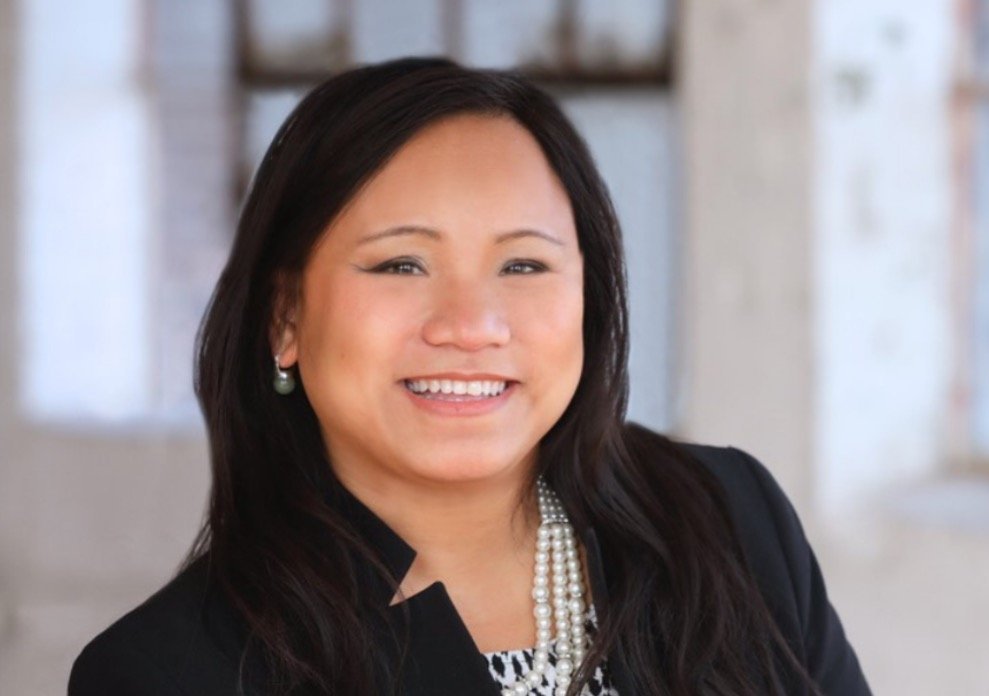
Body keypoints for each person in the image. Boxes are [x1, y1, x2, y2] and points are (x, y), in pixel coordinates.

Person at [68, 57, 871, 696]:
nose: (470, 325)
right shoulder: (169, 672)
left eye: (523, 265)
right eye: (401, 264)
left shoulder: (726, 519)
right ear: (285, 317)